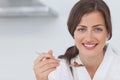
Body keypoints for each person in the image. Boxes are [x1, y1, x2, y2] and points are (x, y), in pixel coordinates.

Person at [33, 0, 120, 80]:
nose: (89, 38)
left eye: (97, 29)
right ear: (73, 32)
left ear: (108, 32)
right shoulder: (57, 71)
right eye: (82, 29)